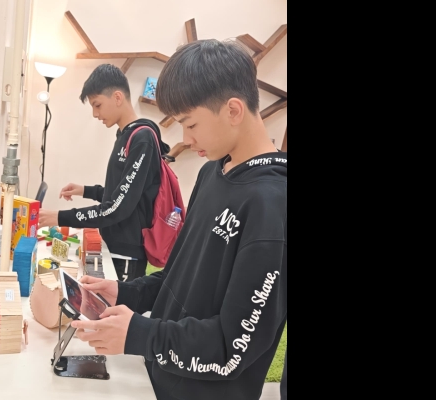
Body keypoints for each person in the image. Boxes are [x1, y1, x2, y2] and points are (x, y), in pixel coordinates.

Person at [68, 39, 287, 400]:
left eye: (191, 123)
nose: (185, 138)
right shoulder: (211, 173)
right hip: (157, 378)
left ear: (233, 110)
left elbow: (232, 349)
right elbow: (177, 275)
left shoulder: (272, 205)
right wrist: (127, 292)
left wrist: (140, 335)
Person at [38, 63, 173, 282]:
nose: (95, 114)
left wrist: (60, 217)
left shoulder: (142, 139)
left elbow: (117, 207)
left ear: (117, 97)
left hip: (127, 254)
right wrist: (86, 190)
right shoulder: (125, 135)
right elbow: (120, 195)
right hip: (115, 247)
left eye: (97, 105)